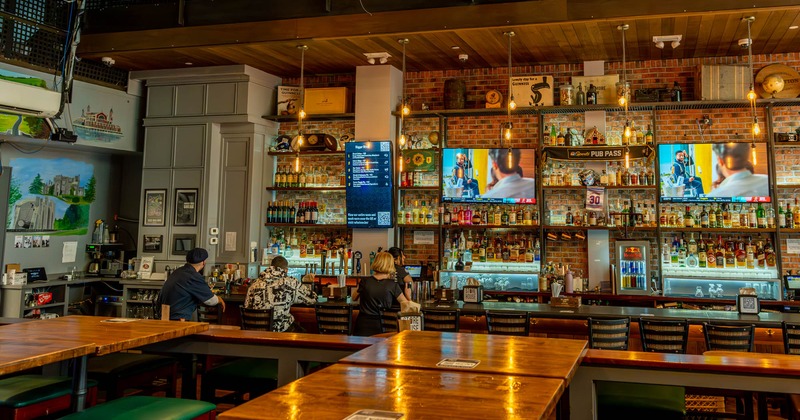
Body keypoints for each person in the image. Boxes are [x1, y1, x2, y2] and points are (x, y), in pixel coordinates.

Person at [243, 255, 317, 332]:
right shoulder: (290, 283)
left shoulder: (254, 284)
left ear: (270, 267)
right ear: (286, 270)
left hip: (253, 331)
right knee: (304, 335)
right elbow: (312, 298)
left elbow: (246, 305)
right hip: (279, 331)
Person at [352, 252, 412, 336]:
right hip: (383, 328)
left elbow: (353, 297)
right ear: (390, 265)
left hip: (362, 327)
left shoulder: (365, 281)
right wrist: (408, 296)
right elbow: (407, 307)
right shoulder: (392, 285)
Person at [158, 248, 225, 321]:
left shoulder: (178, 271)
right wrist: (219, 299)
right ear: (203, 263)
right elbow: (210, 300)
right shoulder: (193, 276)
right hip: (177, 320)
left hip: (164, 316)